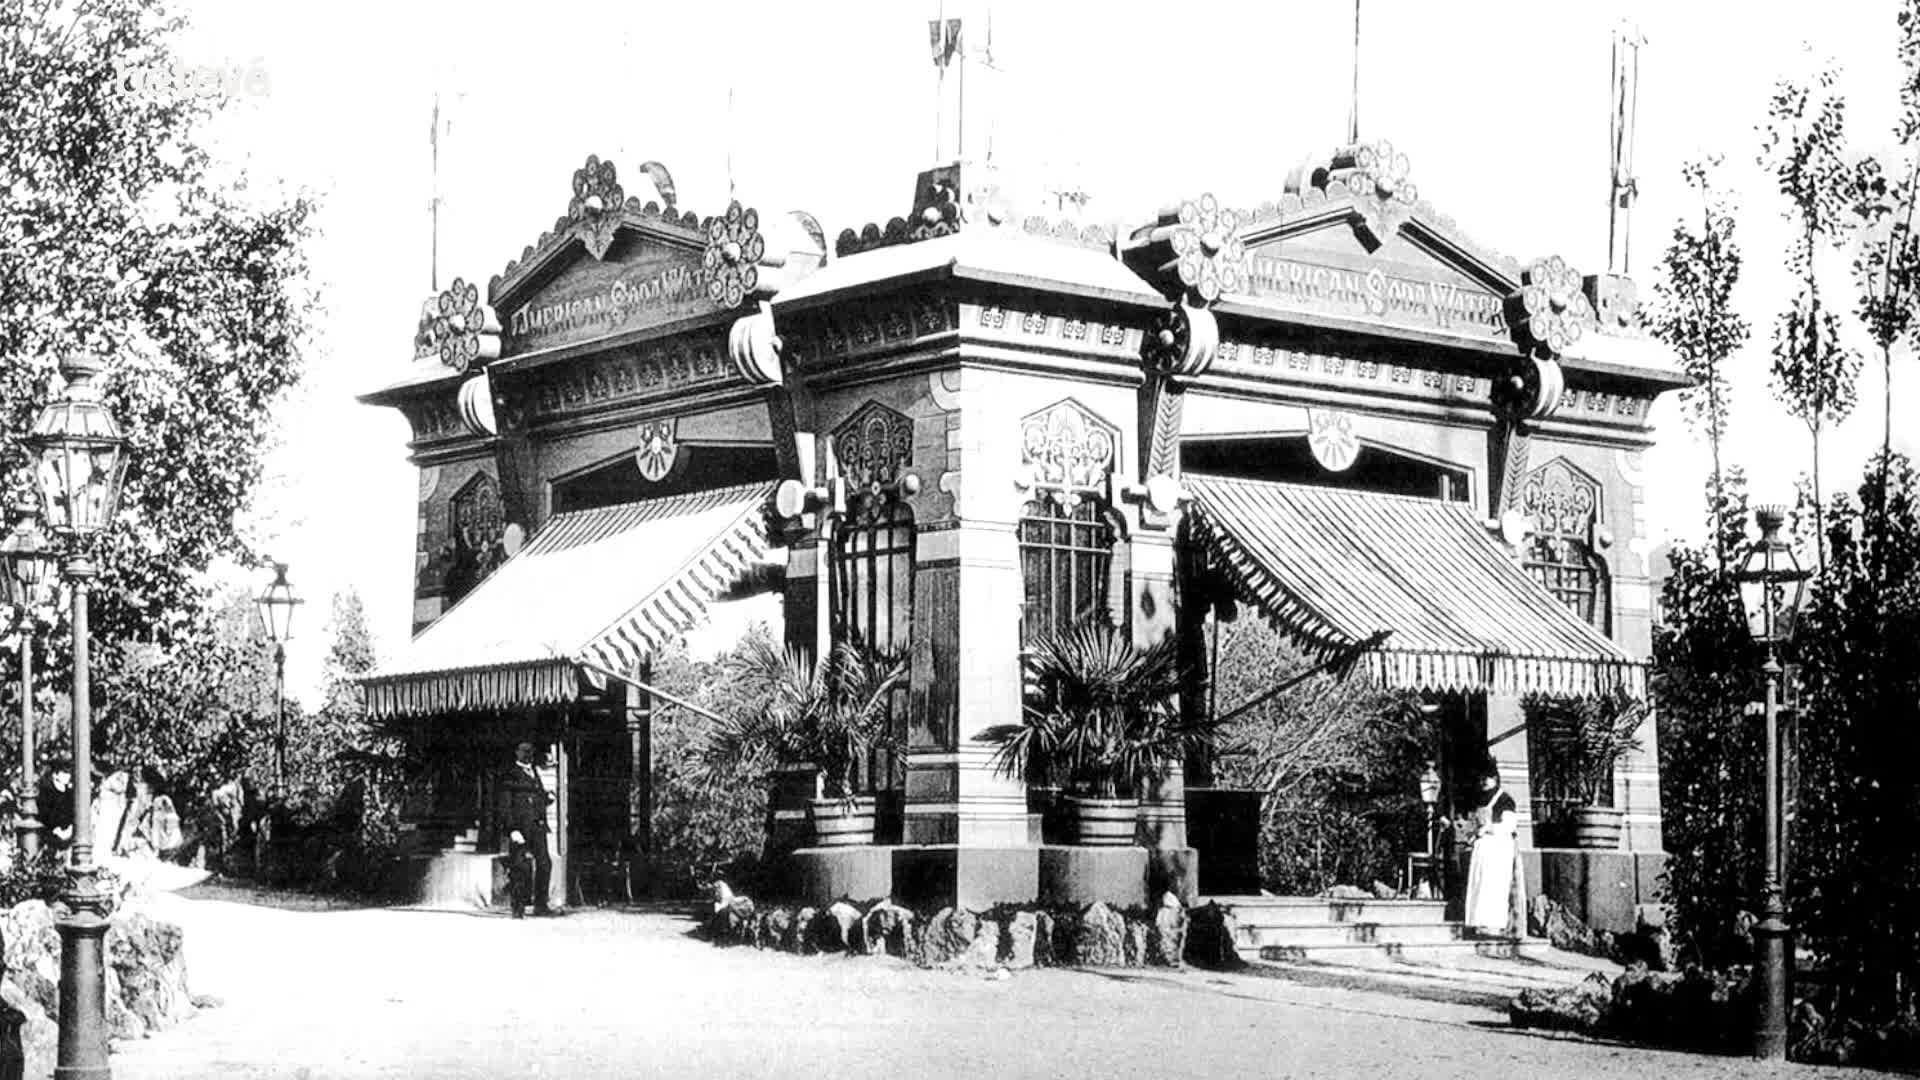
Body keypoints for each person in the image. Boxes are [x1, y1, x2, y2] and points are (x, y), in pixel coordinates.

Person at [1463, 771, 1524, 937]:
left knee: (1494, 884)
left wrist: (1489, 828)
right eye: (1481, 778)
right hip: (1482, 846)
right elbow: (1473, 823)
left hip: (1499, 846)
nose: (1483, 781)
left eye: (1487, 778)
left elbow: (1509, 826)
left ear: (1495, 779)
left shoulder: (1505, 800)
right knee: (1479, 883)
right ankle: (1478, 923)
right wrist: (1472, 834)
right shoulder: (1480, 799)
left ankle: (1494, 925)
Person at [498, 741, 555, 919]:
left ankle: (541, 904)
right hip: (521, 828)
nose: (528, 754)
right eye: (524, 751)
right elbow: (505, 805)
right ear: (517, 753)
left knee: (545, 864)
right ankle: (518, 907)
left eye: (530, 751)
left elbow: (535, 795)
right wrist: (512, 829)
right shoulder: (510, 774)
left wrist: (547, 797)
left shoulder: (534, 772)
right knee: (519, 867)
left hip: (537, 826)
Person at [37, 762, 74, 853]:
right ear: (55, 775)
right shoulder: (46, 791)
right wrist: (56, 830)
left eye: (68, 773)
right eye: (64, 773)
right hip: (51, 832)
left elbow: (73, 813)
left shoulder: (70, 793)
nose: (67, 776)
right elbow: (44, 815)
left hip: (68, 832)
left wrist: (69, 829)